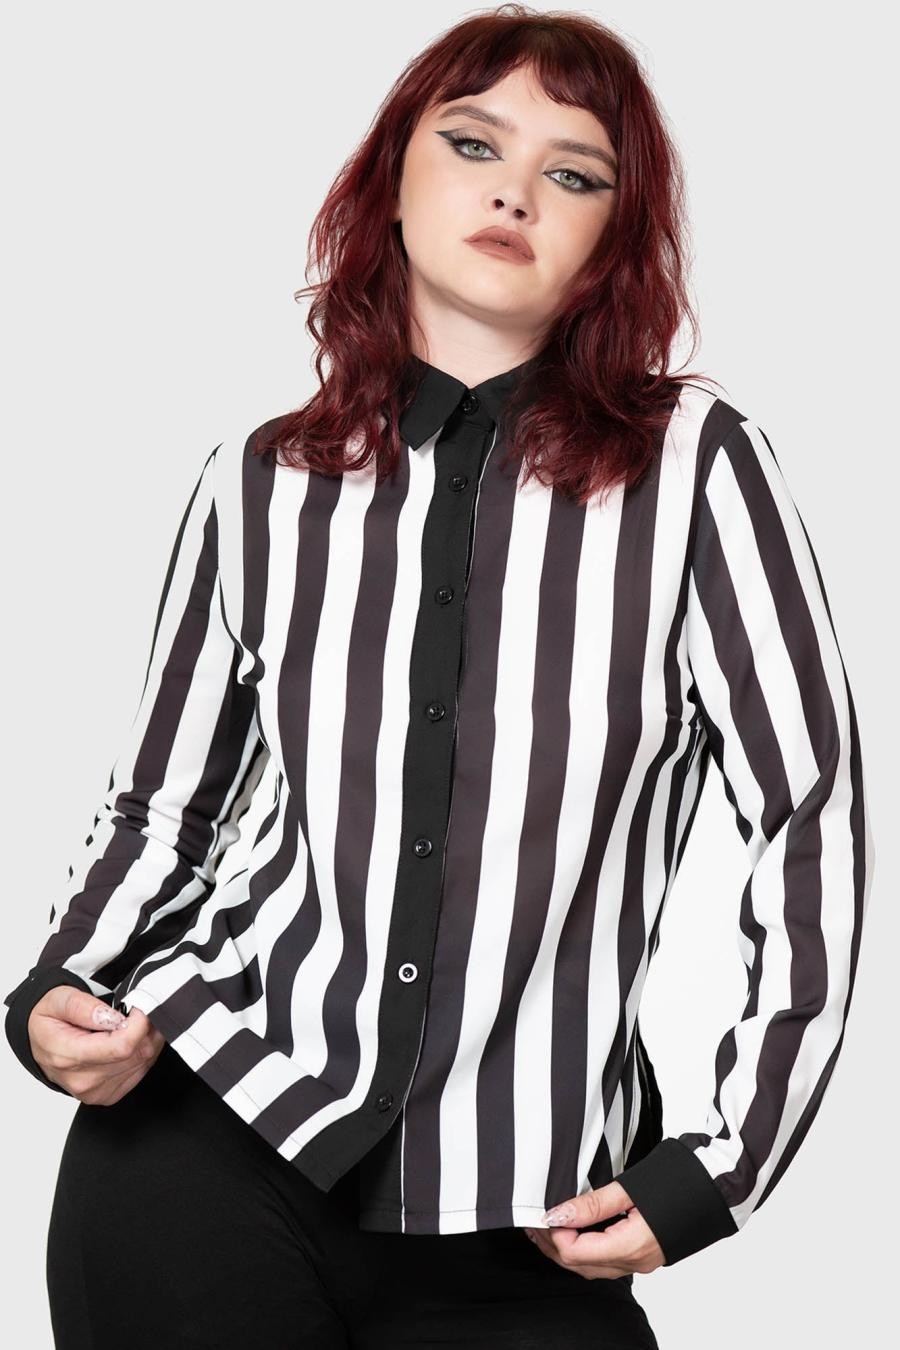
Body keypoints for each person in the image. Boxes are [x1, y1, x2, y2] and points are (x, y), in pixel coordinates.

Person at [4, 6, 871, 1348]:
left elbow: (809, 812)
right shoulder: (259, 482)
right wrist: (60, 982)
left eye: (575, 173)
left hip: (529, 1214)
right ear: (392, 182)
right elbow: (164, 808)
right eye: (474, 144)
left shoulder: (698, 468)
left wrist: (727, 1159)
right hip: (207, 1142)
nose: (515, 190)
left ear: (610, 242)